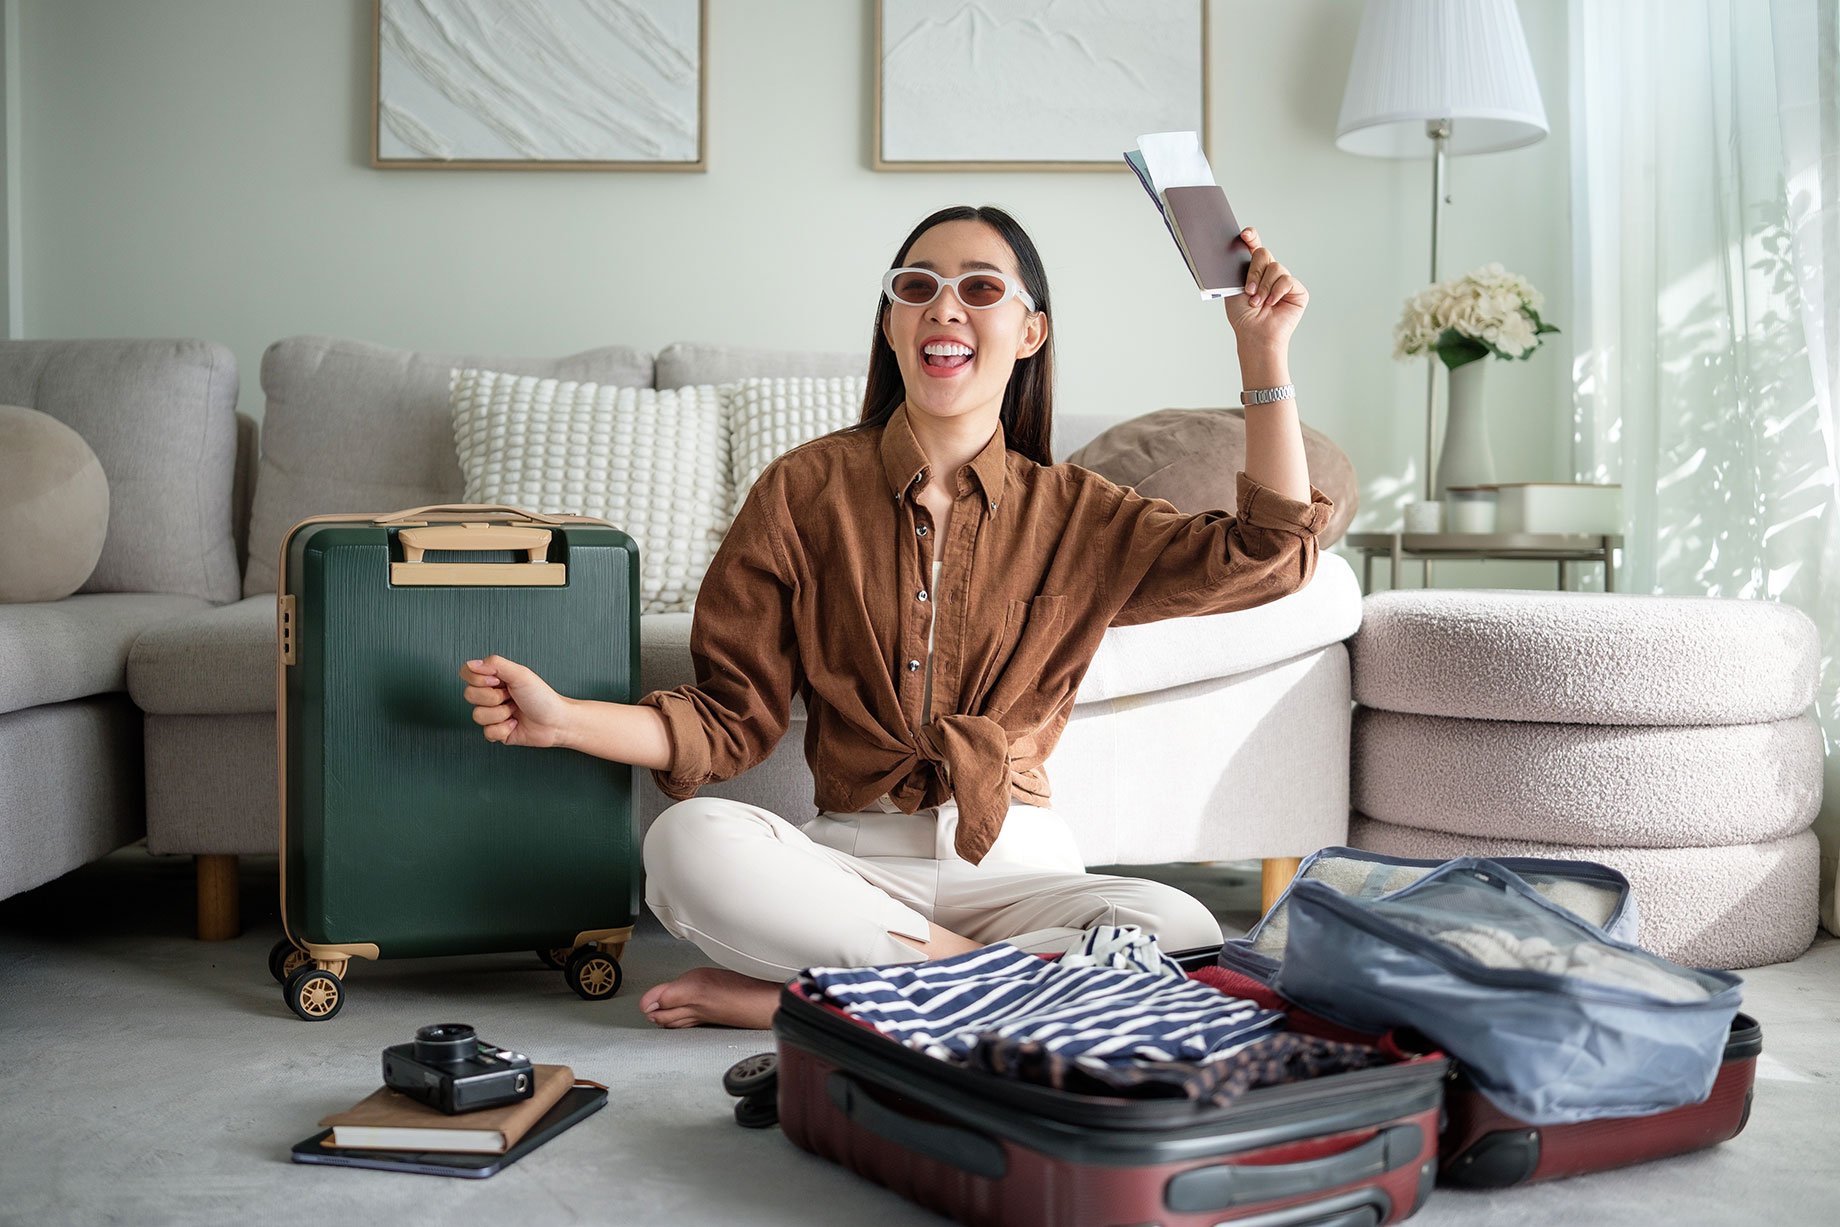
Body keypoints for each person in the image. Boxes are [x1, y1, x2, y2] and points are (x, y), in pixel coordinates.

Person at [458, 205, 1332, 1030]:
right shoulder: (804, 490)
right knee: (688, 844)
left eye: (981, 288)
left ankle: (814, 1000)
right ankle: (972, 988)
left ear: (1030, 332)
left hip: (1018, 868)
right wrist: (565, 720)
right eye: (917, 286)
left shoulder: (1081, 514)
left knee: (1181, 926)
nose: (944, 305)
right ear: (891, 323)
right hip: (854, 864)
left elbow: (1271, 554)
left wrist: (1264, 352)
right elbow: (730, 718)